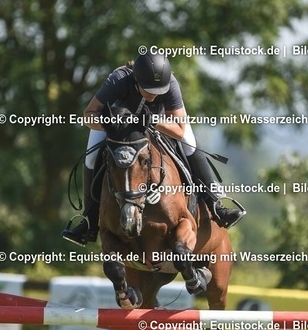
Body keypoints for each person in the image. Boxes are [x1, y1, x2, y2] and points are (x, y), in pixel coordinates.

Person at [62, 51, 246, 246]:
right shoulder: (118, 79)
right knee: (91, 157)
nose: (154, 94)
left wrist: (155, 120)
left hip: (157, 120)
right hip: (117, 124)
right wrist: (114, 122)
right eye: (149, 89)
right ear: (136, 80)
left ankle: (216, 204)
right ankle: (89, 221)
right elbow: (88, 115)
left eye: (159, 90)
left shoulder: (170, 83)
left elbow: (179, 129)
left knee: (190, 144)